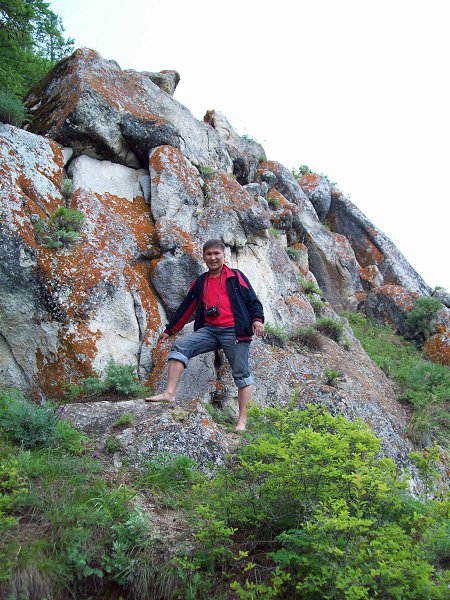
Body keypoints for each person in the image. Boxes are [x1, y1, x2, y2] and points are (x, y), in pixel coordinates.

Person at [145, 239, 265, 431]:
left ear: (224, 256)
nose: (213, 257)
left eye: (217, 253)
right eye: (209, 254)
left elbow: (253, 301)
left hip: (234, 331)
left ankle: (242, 421)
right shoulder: (201, 281)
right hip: (210, 331)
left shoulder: (235, 277)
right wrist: (170, 329)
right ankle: (169, 393)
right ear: (203, 257)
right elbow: (186, 308)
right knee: (180, 346)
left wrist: (257, 320)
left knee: (241, 374)